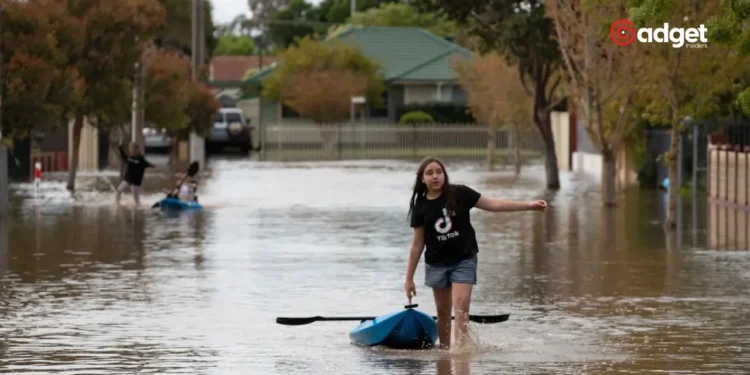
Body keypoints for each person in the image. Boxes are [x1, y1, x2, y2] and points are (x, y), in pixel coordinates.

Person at [404, 157, 547, 349]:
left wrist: (528, 205)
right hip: (436, 264)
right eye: (429, 173)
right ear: (422, 179)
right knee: (444, 312)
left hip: (464, 259)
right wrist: (409, 278)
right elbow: (417, 245)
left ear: (444, 175)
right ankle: (445, 354)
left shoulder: (460, 193)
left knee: (461, 308)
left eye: (439, 171)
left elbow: (494, 204)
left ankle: (461, 353)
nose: (435, 176)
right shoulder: (420, 207)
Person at [116, 142, 155, 206]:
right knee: (118, 191)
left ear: (136, 149)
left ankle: (139, 208)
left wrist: (152, 165)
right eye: (129, 148)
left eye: (131, 148)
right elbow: (124, 157)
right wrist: (120, 148)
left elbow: (146, 164)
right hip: (127, 179)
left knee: (136, 199)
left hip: (135, 181)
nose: (130, 150)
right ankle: (117, 204)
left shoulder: (140, 158)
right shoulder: (129, 157)